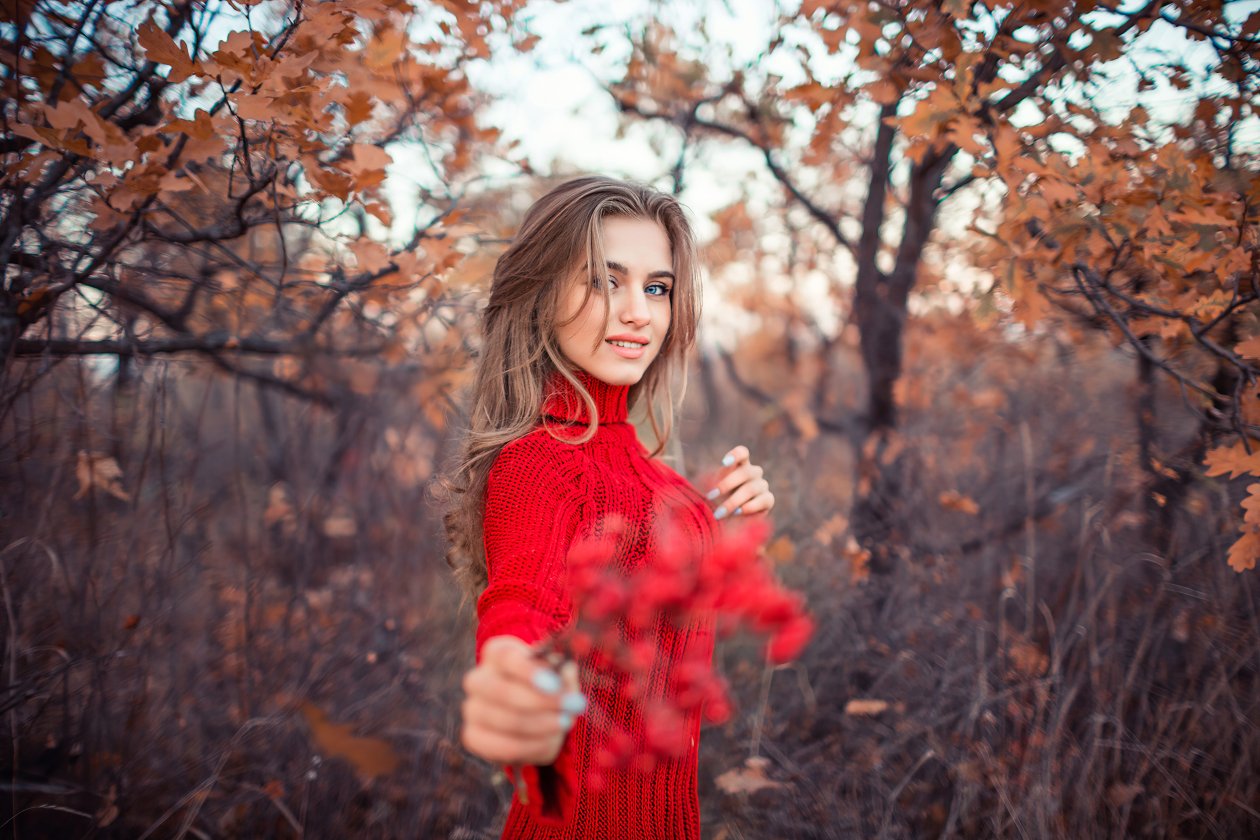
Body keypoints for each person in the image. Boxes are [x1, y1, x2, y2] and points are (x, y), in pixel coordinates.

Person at [443, 175, 774, 839]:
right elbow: (524, 604)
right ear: (542, 295)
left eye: (657, 287)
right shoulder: (538, 461)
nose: (639, 313)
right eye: (603, 281)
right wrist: (510, 672)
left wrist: (720, 525)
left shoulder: (648, 470)